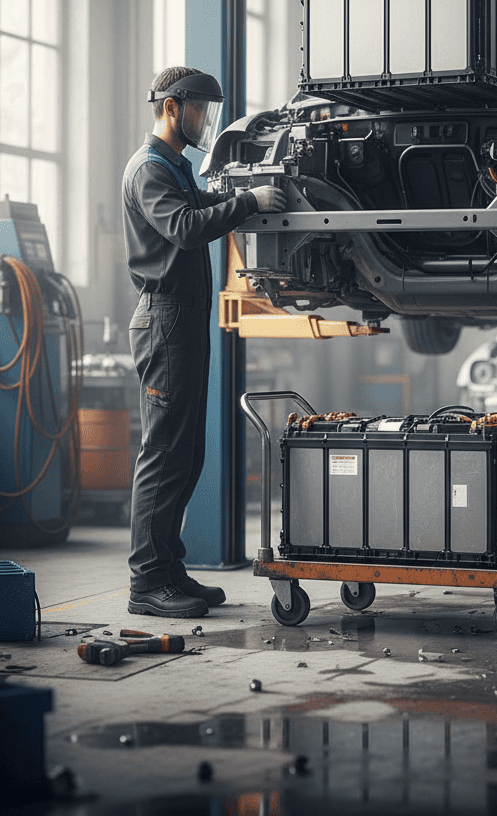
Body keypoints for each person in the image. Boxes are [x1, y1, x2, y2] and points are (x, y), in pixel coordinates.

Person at [122, 66, 285, 618]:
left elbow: (198, 209)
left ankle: (169, 569)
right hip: (165, 320)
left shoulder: (175, 167)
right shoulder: (149, 170)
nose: (205, 121)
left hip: (185, 319)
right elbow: (187, 229)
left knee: (186, 454)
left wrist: (232, 193)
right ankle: (146, 584)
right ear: (172, 107)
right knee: (163, 453)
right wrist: (250, 202)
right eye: (199, 111)